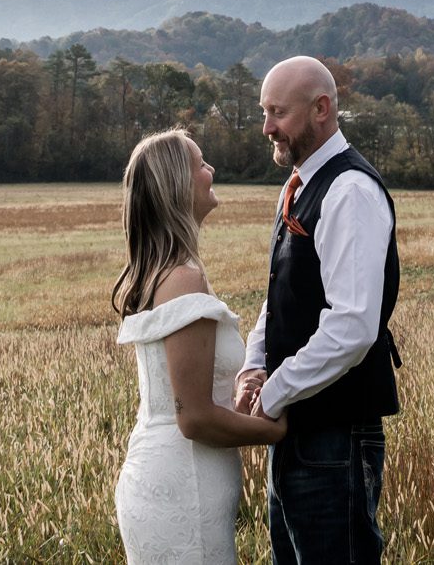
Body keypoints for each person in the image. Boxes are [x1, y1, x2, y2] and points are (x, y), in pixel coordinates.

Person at [233, 57, 400, 565]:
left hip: (335, 438)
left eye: (278, 112)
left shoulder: (349, 190)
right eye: (265, 112)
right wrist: (254, 366)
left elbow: (352, 327)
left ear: (321, 109)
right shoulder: (301, 185)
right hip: (298, 434)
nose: (267, 127)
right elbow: (282, 293)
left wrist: (275, 394)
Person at [113, 127, 286, 565]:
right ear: (178, 185)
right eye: (200, 164)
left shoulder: (172, 271)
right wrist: (278, 431)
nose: (211, 171)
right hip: (179, 485)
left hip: (179, 479)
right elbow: (194, 418)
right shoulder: (182, 277)